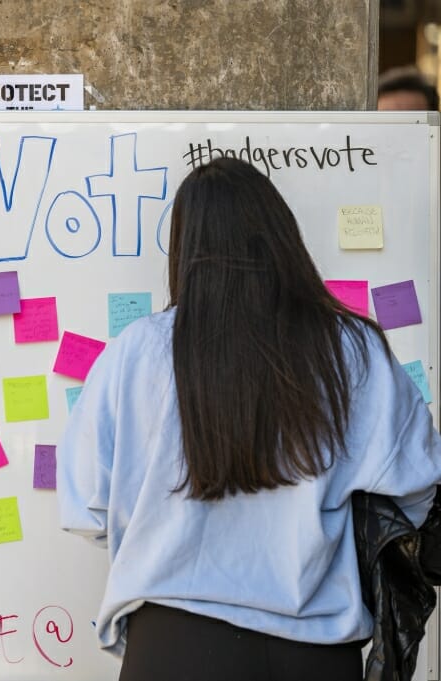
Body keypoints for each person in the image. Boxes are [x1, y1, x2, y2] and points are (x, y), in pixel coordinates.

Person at [57, 157, 441, 681]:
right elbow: (418, 488)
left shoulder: (135, 352)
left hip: (173, 647)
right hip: (316, 651)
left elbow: (86, 509)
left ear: (187, 249)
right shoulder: (353, 349)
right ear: (283, 239)